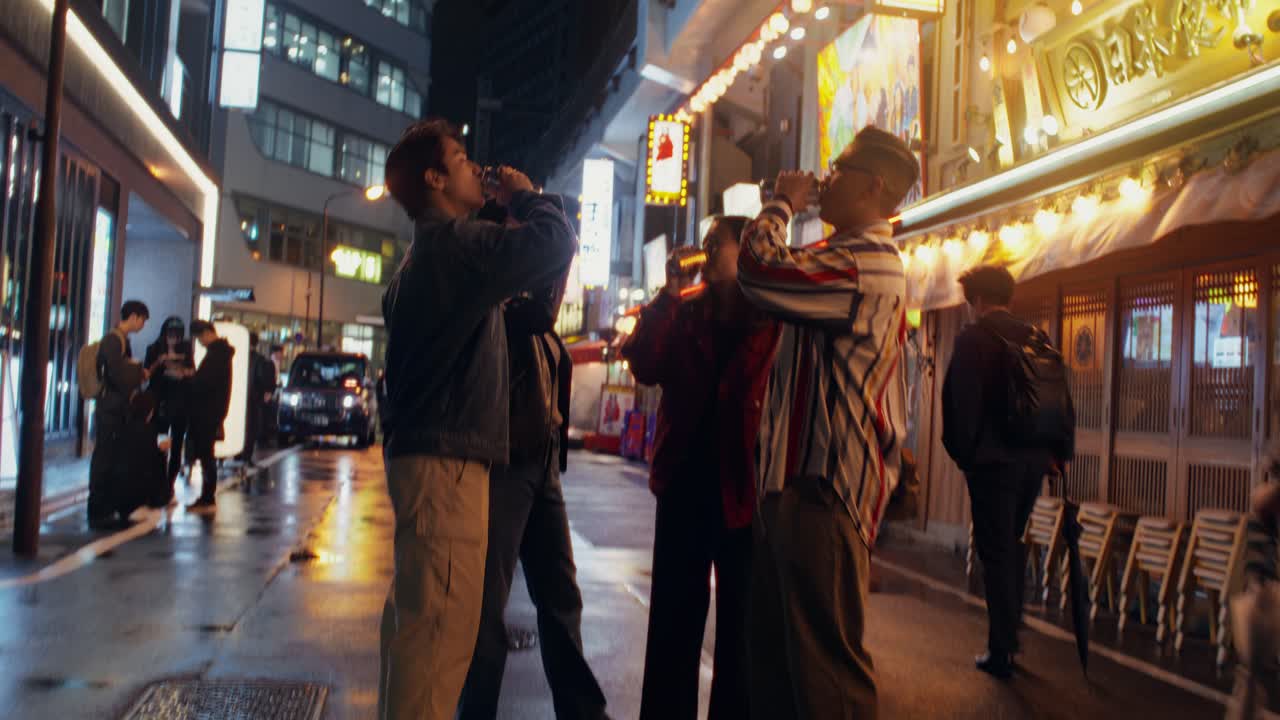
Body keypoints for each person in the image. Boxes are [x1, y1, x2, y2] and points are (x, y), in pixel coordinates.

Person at [377, 118, 578, 720]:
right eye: (461, 159)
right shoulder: (455, 249)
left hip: (428, 461)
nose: (475, 167)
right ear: (435, 179)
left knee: (418, 634)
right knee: (439, 640)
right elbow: (554, 243)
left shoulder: (425, 256)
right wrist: (525, 197)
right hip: (448, 467)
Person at [736, 127, 920, 719]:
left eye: (839, 170)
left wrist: (781, 204)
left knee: (827, 682)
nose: (825, 179)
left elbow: (758, 270)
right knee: (777, 675)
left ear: (874, 187)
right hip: (797, 491)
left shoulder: (866, 264)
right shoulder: (838, 257)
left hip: (825, 493)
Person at [621, 216, 779, 720]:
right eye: (705, 243)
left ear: (747, 252)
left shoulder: (771, 318)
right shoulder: (684, 312)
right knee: (673, 626)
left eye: (717, 244)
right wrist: (669, 291)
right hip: (684, 486)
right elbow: (643, 362)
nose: (705, 251)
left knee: (741, 636)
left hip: (745, 491)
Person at [459, 266, 609, 720]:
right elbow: (543, 306)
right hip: (506, 462)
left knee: (561, 596)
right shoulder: (501, 303)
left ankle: (583, 712)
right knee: (488, 606)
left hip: (541, 463)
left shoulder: (527, 311)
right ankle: (477, 712)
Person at [941, 265, 1063, 679]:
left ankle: (1002, 647)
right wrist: (1054, 454)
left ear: (977, 300)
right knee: (1010, 541)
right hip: (1032, 463)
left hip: (992, 463)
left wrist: (968, 456)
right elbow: (1056, 399)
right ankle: (1010, 634)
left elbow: (960, 404)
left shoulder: (973, 340)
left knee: (995, 550)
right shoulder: (1036, 338)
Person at [88, 300, 150, 530]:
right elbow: (116, 373)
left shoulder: (120, 340)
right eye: (142, 320)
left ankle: (107, 506)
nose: (142, 325)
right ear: (133, 317)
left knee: (111, 456)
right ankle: (98, 508)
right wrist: (137, 372)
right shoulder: (114, 340)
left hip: (115, 407)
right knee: (105, 456)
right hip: (110, 408)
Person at [186, 320, 234, 513]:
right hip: (213, 411)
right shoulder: (221, 353)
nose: (200, 342)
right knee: (207, 455)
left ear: (207, 333)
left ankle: (207, 498)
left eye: (199, 338)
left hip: (207, 412)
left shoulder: (217, 355)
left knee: (207, 455)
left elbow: (205, 382)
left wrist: (190, 377)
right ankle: (207, 497)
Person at [143, 316, 195, 495]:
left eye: (177, 336)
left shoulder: (186, 349)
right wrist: (159, 361)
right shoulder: (154, 349)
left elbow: (193, 371)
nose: (174, 340)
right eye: (170, 335)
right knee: (160, 441)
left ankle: (170, 482)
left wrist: (183, 372)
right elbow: (146, 374)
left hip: (181, 403)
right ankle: (157, 480)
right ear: (164, 334)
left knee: (177, 443)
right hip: (161, 402)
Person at [240, 331, 277, 465]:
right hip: (254, 399)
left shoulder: (238, 357)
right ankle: (246, 456)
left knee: (241, 427)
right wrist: (267, 391)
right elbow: (264, 379)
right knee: (251, 428)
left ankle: (238, 453)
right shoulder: (260, 360)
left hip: (239, 398)